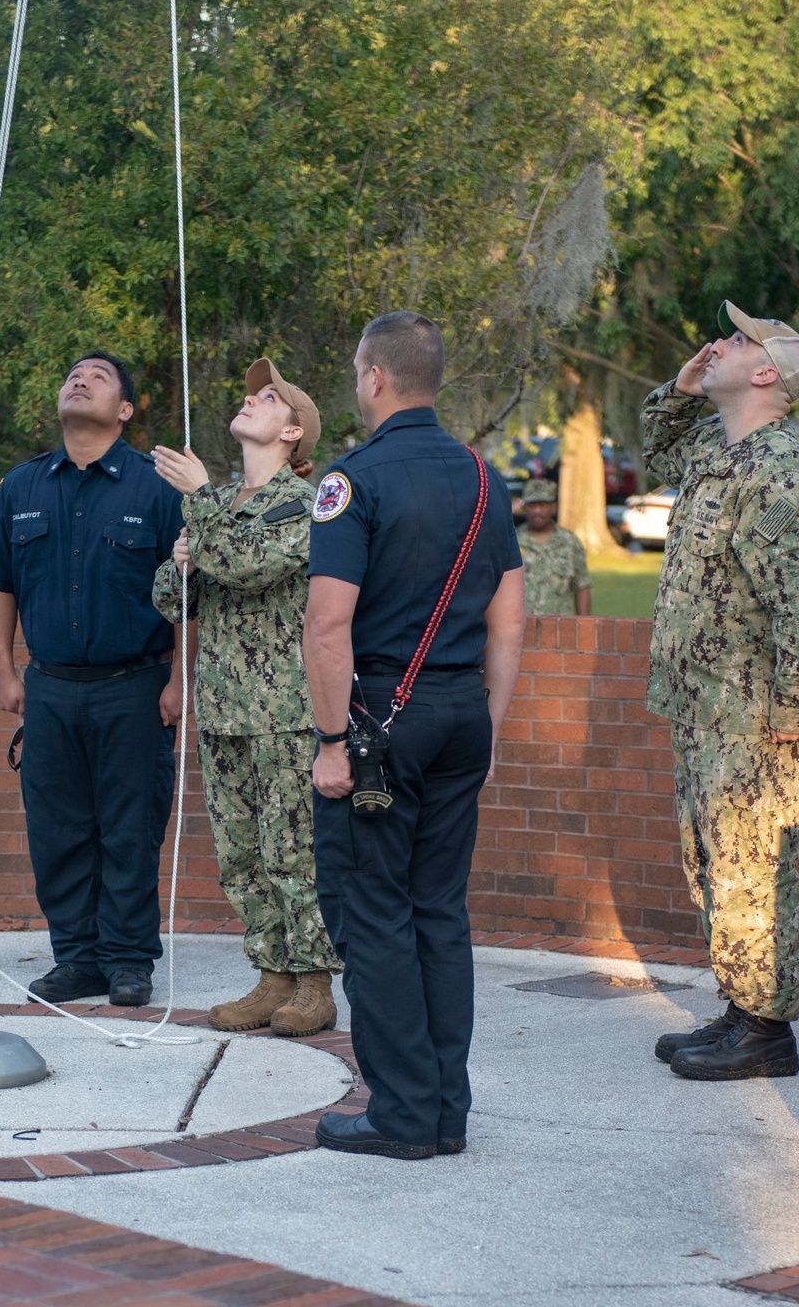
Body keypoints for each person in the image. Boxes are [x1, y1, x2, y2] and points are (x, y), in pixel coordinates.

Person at [304, 311, 526, 1158]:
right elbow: (509, 625)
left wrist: (332, 742)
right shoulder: (483, 477)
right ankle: (445, 1112)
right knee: (440, 913)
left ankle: (400, 1115)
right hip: (461, 713)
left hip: (375, 725)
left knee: (373, 912)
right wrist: (489, 725)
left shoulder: (352, 481)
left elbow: (329, 627)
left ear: (373, 378)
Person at [645, 302, 799, 1080]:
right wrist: (683, 386)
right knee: (713, 865)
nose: (717, 342)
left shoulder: (780, 474)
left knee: (753, 867)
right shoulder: (717, 450)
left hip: (751, 718)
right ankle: (741, 1007)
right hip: (701, 707)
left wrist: (788, 717)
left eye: (736, 340)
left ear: (767, 373)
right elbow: (660, 443)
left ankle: (767, 1032)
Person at [151, 359, 342, 1037]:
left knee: (293, 852)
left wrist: (201, 504)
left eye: (266, 397)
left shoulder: (308, 501)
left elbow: (248, 565)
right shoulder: (224, 507)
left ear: (292, 432)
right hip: (227, 710)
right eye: (250, 391)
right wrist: (181, 563)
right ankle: (273, 977)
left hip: (286, 710)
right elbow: (171, 600)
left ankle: (315, 986)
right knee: (242, 854)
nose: (248, 398)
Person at [0, 352, 185, 1008]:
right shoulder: (20, 488)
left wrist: (178, 680)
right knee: (58, 829)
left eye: (98, 378)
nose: (79, 380)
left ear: (124, 410)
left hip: (134, 685)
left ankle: (128, 960)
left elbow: (190, 590)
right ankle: (76, 958)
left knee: (130, 829)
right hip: (49, 689)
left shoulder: (157, 487)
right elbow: (1, 587)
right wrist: (3, 669)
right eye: (72, 374)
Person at [515, 478, 592, 615]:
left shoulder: (569, 541)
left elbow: (581, 585)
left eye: (543, 505)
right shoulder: (512, 540)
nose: (537, 511)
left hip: (560, 629)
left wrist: (584, 626)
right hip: (521, 629)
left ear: (554, 507)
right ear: (524, 507)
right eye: (532, 505)